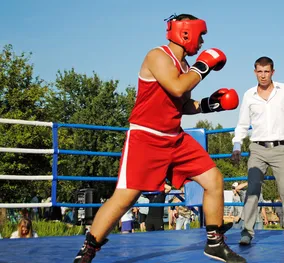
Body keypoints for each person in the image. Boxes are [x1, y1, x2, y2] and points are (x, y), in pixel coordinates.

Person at [73, 14, 245, 263]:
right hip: (146, 137)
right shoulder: (158, 56)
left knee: (214, 179)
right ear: (186, 33)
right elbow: (176, 87)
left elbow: (182, 103)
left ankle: (215, 243)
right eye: (201, 35)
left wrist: (211, 104)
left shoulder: (186, 68)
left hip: (175, 138)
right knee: (125, 199)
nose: (202, 42)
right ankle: (88, 248)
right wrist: (204, 65)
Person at [231, 56, 284, 245]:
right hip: (257, 149)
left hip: (280, 148)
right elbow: (242, 123)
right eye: (259, 71)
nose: (263, 75)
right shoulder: (249, 95)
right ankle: (247, 232)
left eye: (266, 71)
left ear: (273, 72)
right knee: (252, 191)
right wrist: (237, 145)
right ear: (255, 72)